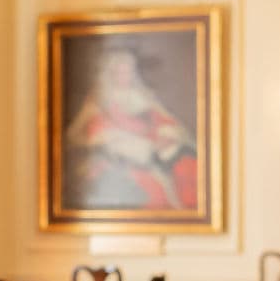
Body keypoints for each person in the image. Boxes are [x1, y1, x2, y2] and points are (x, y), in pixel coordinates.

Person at [63, 44, 197, 211]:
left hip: (155, 152)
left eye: (129, 72)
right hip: (116, 161)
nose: (125, 77)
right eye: (120, 72)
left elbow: (166, 121)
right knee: (153, 189)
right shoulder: (98, 100)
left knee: (189, 166)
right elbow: (73, 136)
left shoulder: (143, 96)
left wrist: (168, 134)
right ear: (110, 73)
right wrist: (102, 140)